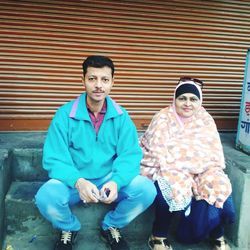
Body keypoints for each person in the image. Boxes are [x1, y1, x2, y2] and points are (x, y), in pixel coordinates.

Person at [35, 55, 156, 250]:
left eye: (104, 79)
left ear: (112, 83)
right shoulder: (65, 115)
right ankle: (69, 227)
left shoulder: (121, 116)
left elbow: (130, 156)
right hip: (75, 182)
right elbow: (54, 158)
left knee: (146, 190)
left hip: (109, 181)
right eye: (92, 79)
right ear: (83, 80)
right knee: (45, 197)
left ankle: (111, 224)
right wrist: (78, 181)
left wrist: (116, 181)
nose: (98, 85)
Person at [140, 77, 235, 250]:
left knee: (217, 184)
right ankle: (158, 234)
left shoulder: (205, 120)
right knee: (166, 188)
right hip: (170, 166)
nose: (187, 103)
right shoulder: (163, 118)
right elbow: (157, 150)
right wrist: (186, 167)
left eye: (193, 99)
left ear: (200, 101)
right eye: (182, 98)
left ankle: (217, 234)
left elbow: (214, 152)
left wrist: (198, 169)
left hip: (202, 168)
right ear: (174, 99)